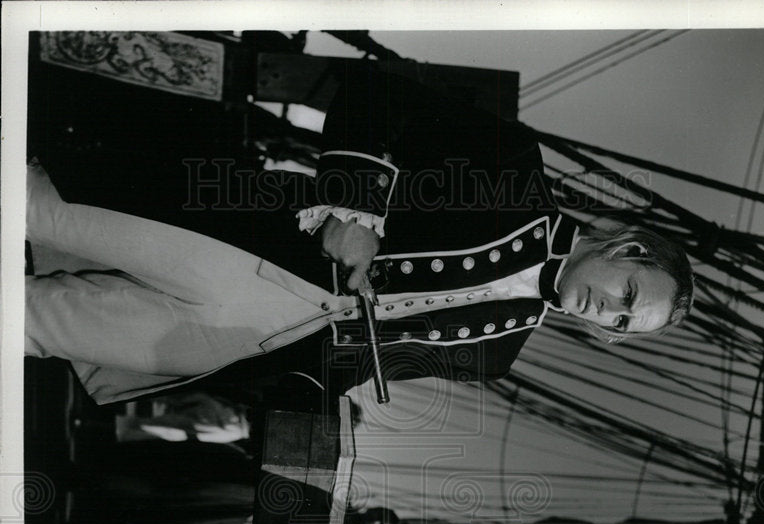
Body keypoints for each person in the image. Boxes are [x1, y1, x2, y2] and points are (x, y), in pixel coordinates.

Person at [26, 59, 694, 407]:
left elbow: (347, 368)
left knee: (34, 328)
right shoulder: (513, 172)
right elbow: (376, 96)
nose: (610, 313)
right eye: (628, 293)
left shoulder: (495, 357)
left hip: (241, 341)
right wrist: (353, 208)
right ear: (625, 249)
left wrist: (315, 390)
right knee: (36, 208)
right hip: (243, 243)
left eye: (624, 324)